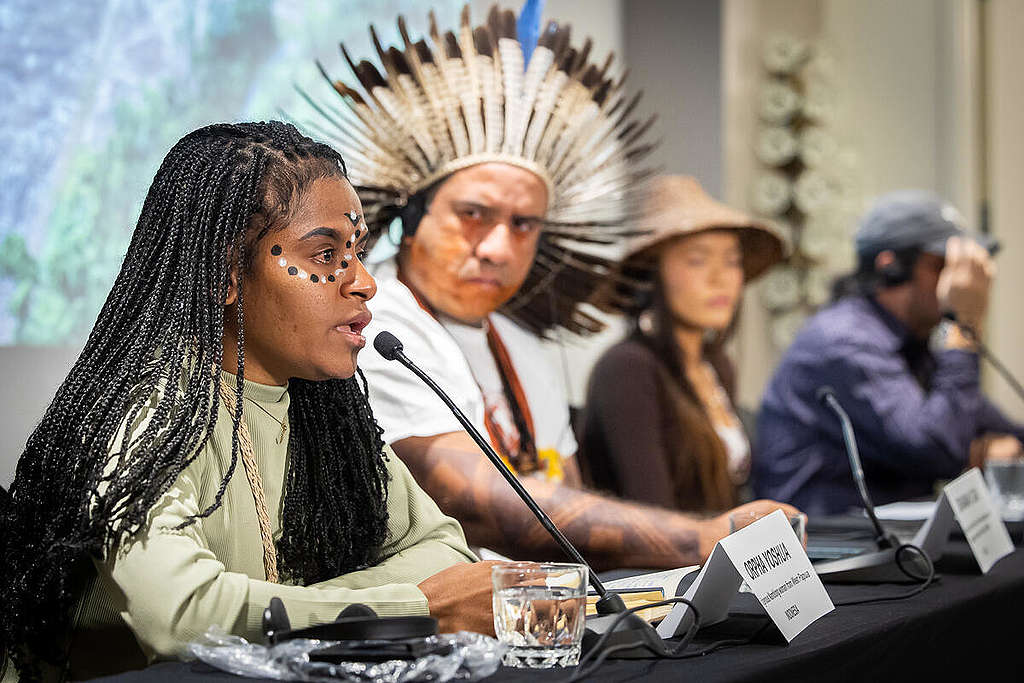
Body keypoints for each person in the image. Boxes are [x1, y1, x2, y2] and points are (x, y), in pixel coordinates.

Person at [0, 122, 491, 683]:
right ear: (228, 273)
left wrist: (287, 610)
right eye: (327, 254)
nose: (362, 283)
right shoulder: (155, 412)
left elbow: (445, 551)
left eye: (357, 253)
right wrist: (412, 607)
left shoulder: (327, 411)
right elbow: (181, 615)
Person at [314, 7, 798, 571]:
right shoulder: (374, 324)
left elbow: (568, 490)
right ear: (413, 216)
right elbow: (477, 504)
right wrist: (701, 540)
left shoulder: (521, 342)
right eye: (473, 214)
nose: (498, 247)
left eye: (524, 224)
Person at [755, 190, 1024, 515]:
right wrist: (964, 325)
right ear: (891, 267)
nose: (956, 283)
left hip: (888, 543)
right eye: (942, 265)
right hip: (824, 545)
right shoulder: (844, 340)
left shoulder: (911, 341)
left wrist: (993, 446)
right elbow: (936, 448)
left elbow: (996, 428)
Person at [579, 175, 784, 512]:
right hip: (657, 562)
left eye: (732, 262)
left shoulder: (716, 366)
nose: (719, 279)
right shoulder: (627, 367)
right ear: (651, 273)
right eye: (697, 260)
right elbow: (651, 513)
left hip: (716, 556)